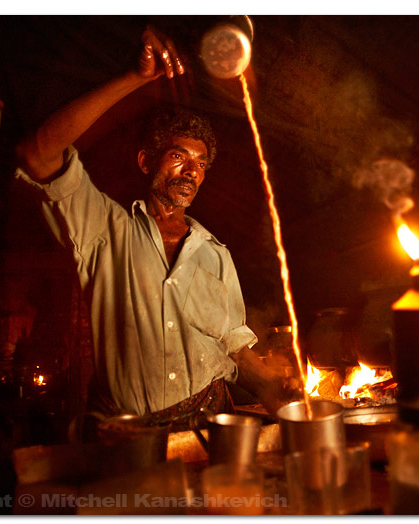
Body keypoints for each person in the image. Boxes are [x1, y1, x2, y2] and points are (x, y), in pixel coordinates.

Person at [15, 26, 294, 428]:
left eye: (200, 164)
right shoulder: (105, 229)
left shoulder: (216, 254)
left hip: (213, 424)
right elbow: (37, 153)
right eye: (178, 156)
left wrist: (270, 383)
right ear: (147, 162)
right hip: (133, 438)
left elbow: (232, 342)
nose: (191, 171)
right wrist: (135, 77)